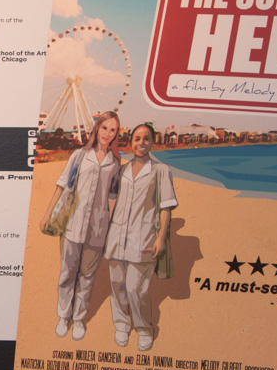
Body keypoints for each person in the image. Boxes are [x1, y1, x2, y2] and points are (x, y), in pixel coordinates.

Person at [41, 111, 121, 340]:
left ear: (116, 134)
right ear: (97, 128)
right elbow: (62, 185)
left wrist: (109, 225)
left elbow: (112, 196)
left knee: (87, 276)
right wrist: (47, 214)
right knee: (68, 273)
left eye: (113, 130)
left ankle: (78, 319)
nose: (108, 133)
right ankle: (63, 316)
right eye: (104, 128)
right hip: (72, 225)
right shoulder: (79, 155)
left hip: (98, 228)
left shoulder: (115, 163)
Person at [104, 123, 177, 351]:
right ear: (130, 142)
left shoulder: (160, 169)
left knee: (137, 288)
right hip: (116, 237)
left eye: (146, 138)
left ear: (152, 142)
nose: (141, 143)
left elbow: (166, 207)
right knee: (117, 285)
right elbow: (111, 201)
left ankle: (144, 329)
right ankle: (121, 324)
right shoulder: (122, 170)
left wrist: (160, 238)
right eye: (137, 138)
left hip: (144, 237)